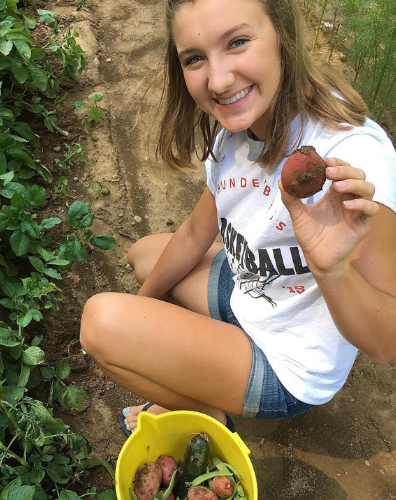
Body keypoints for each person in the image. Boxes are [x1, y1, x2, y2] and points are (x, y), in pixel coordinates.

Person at [79, 0, 396, 438]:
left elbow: (385, 344)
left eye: (238, 42)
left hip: (288, 362)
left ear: (282, 35)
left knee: (102, 323)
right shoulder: (236, 128)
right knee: (146, 258)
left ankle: (207, 413)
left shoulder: (353, 159)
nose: (219, 80)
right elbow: (193, 233)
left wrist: (331, 268)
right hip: (252, 292)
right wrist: (145, 308)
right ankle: (210, 361)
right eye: (194, 58)